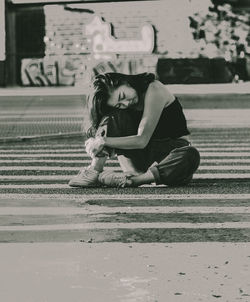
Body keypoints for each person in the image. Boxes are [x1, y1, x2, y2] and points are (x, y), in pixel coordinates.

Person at [69, 72, 200, 188]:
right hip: (139, 161)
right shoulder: (123, 108)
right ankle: (95, 170)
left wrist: (102, 141)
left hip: (169, 157)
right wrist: (100, 140)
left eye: (122, 96)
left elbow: (141, 140)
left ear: (124, 81)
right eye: (120, 104)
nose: (126, 103)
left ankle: (135, 180)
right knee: (113, 115)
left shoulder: (154, 89)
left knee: (190, 154)